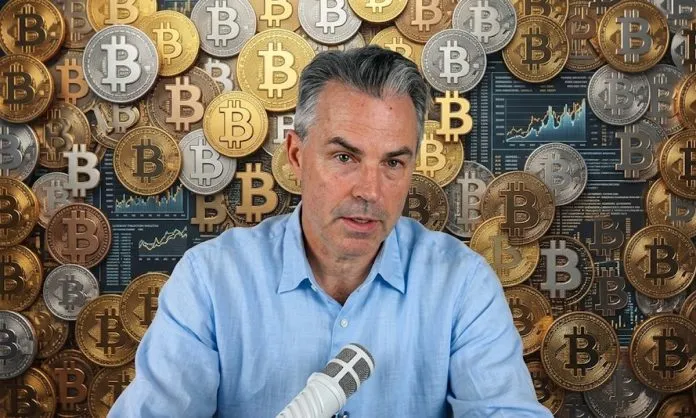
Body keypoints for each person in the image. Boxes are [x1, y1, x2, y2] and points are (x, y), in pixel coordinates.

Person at [108, 45, 552, 417]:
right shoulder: (209, 279)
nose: (370, 191)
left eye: (393, 162)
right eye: (344, 157)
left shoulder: (463, 284)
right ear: (296, 156)